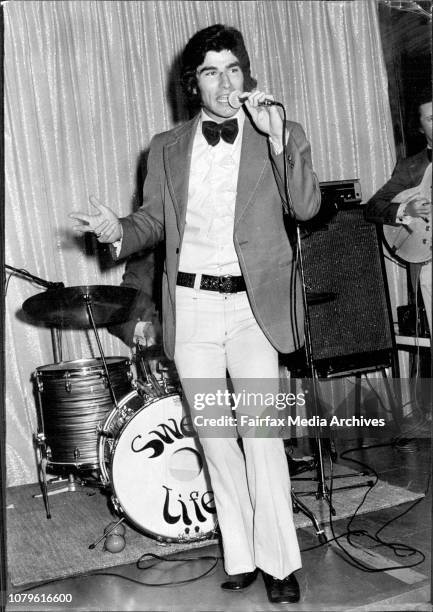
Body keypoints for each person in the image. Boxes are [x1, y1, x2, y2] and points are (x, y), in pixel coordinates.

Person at [70, 24, 321, 604]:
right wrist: (118, 231)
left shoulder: (280, 131)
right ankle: (240, 551)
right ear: (194, 83)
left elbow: (306, 206)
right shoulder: (165, 147)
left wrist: (279, 137)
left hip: (255, 308)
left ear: (246, 74)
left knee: (261, 437)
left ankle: (280, 561)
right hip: (195, 308)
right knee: (215, 440)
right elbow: (152, 222)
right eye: (210, 71)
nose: (224, 81)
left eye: (233, 68)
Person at [365, 90, 432, 334]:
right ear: (420, 128)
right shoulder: (410, 167)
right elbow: (373, 207)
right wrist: (407, 209)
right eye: (431, 119)